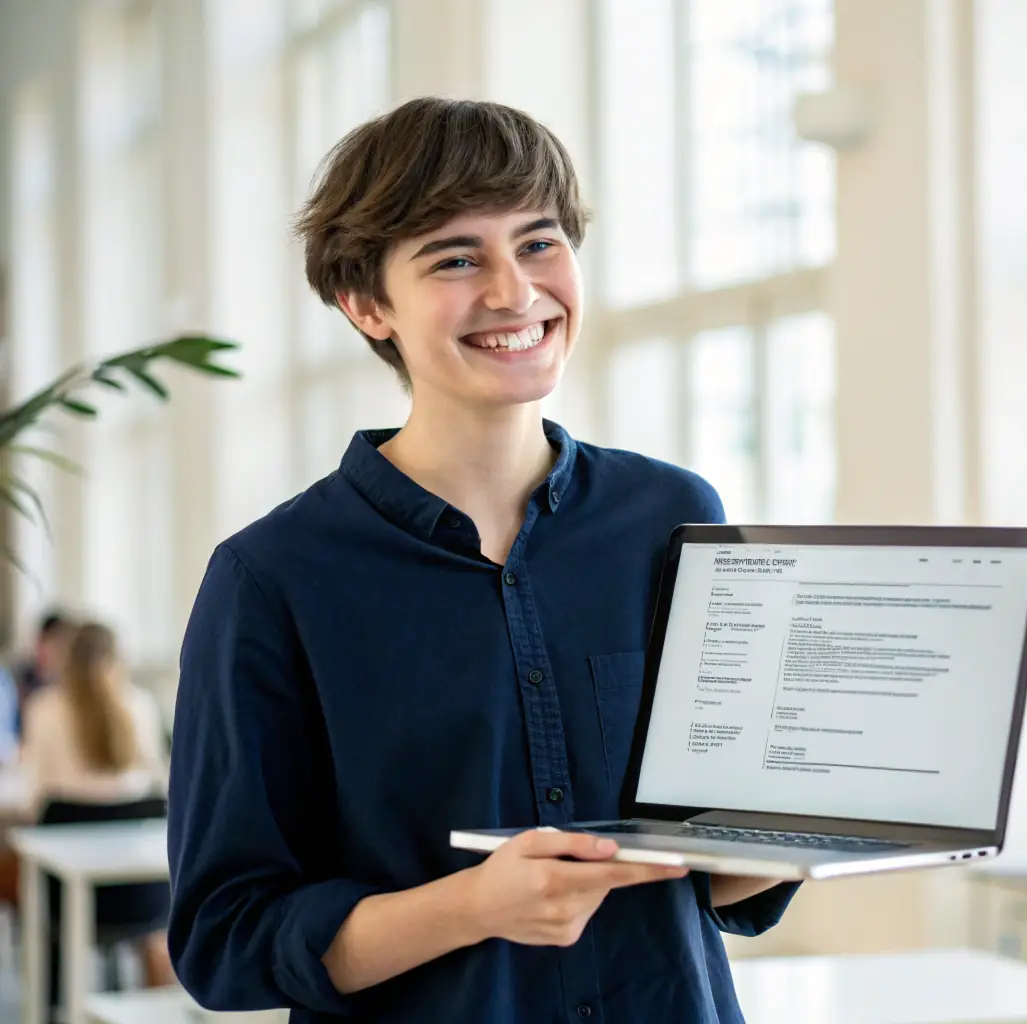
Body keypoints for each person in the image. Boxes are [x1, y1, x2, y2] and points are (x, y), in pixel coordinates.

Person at [167, 97, 798, 1023]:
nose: (514, 292)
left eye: (538, 243)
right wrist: (469, 908)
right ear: (366, 305)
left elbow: (711, 878)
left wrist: (818, 814)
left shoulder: (672, 517)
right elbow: (227, 938)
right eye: (455, 259)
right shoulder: (273, 579)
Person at [22, 621, 176, 994]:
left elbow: (34, 801)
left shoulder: (44, 709)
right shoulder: (140, 705)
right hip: (142, 894)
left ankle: (53, 1002)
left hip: (70, 896)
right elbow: (161, 784)